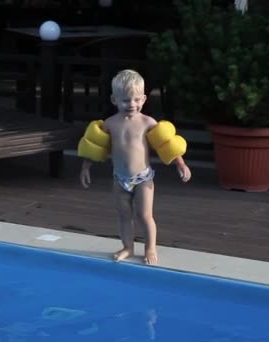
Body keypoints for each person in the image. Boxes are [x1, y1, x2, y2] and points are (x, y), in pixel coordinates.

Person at [78, 69, 191, 265]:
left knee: (144, 215)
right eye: (126, 100)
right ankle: (127, 247)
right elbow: (96, 147)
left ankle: (150, 247)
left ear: (144, 99)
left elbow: (167, 144)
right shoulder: (109, 124)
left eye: (137, 100)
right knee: (123, 215)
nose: (132, 104)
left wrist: (180, 164)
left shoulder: (148, 123)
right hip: (119, 178)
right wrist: (85, 167)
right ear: (114, 100)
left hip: (143, 179)